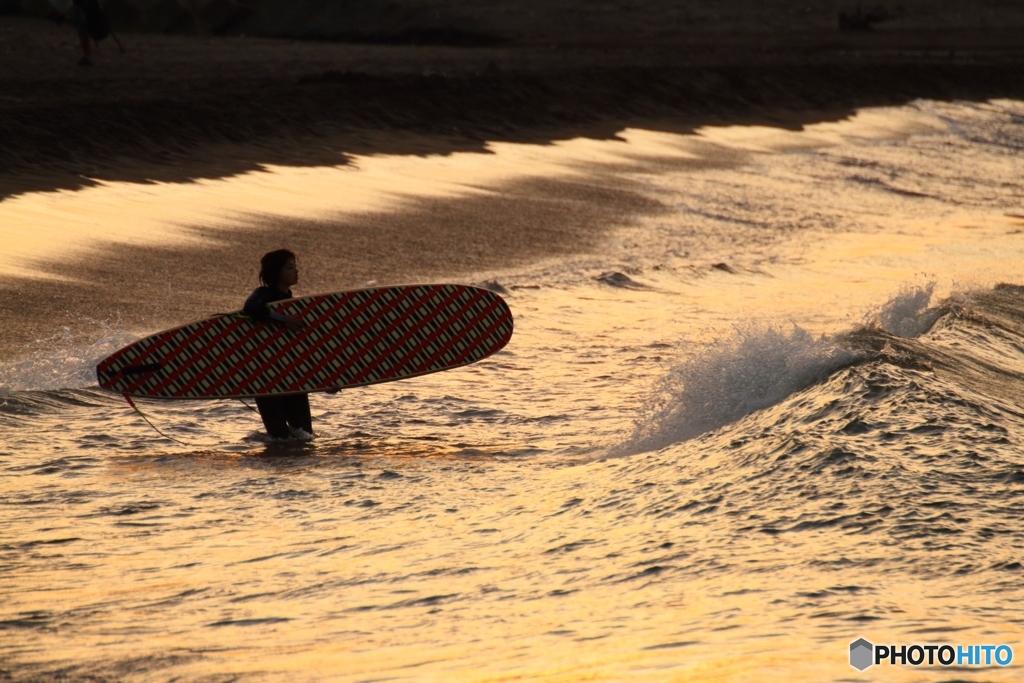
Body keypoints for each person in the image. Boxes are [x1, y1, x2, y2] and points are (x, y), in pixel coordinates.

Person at [243, 249, 313, 440]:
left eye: (295, 267)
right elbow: (251, 308)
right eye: (290, 268)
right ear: (277, 272)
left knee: (305, 436)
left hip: (293, 376)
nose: (296, 271)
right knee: (278, 438)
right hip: (266, 378)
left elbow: (304, 348)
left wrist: (324, 382)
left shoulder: (294, 304)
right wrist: (282, 319)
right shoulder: (264, 294)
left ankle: (294, 468)